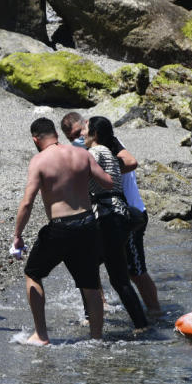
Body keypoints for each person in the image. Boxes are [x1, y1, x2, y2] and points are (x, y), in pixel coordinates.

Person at [13, 118, 114, 345]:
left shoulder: (39, 161)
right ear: (56, 133)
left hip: (60, 227)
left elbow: (27, 202)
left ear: (35, 139)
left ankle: (41, 335)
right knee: (90, 283)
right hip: (88, 223)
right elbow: (108, 182)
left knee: (33, 273)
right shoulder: (82, 153)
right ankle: (96, 338)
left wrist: (18, 235)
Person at [60, 112, 161, 317]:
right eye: (72, 138)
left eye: (80, 133)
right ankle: (101, 306)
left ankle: (155, 311)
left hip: (130, 213)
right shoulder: (83, 150)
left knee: (135, 271)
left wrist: (102, 169)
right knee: (88, 262)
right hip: (103, 216)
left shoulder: (108, 142)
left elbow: (131, 162)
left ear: (88, 127)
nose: (78, 139)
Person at [84, 116, 149, 330]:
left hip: (108, 217)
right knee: (114, 276)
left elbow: (82, 178)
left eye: (86, 130)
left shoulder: (94, 153)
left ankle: (94, 320)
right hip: (120, 215)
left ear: (94, 134)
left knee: (103, 274)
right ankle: (141, 323)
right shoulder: (109, 153)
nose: (82, 134)